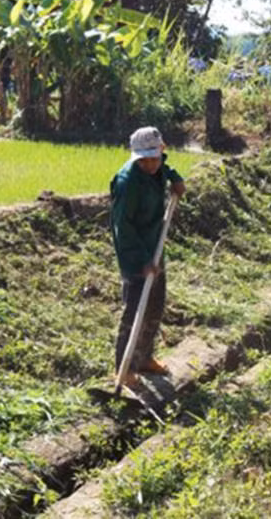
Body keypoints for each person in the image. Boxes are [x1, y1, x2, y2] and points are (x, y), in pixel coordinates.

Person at [110, 127, 186, 387]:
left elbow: (165, 168)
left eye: (155, 157)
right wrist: (143, 262)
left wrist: (175, 179)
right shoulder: (127, 182)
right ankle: (124, 367)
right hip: (135, 254)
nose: (151, 164)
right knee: (134, 311)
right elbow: (124, 228)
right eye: (145, 160)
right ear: (137, 158)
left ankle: (144, 358)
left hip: (155, 244)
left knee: (154, 305)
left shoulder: (157, 167)